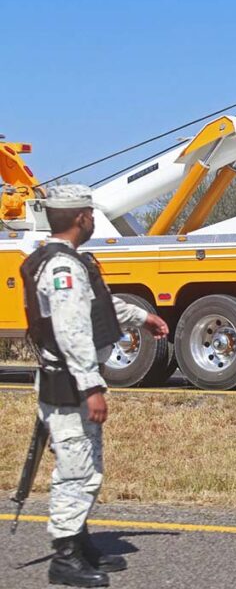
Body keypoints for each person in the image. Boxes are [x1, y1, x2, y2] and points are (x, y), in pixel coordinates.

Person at [20, 185, 169, 588]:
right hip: (68, 384)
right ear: (80, 218)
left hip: (72, 381)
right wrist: (91, 386)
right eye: (89, 214)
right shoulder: (62, 269)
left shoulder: (69, 262)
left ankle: (79, 539)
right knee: (75, 470)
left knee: (86, 466)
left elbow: (98, 306)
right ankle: (65, 558)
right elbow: (71, 330)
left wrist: (142, 317)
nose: (92, 220)